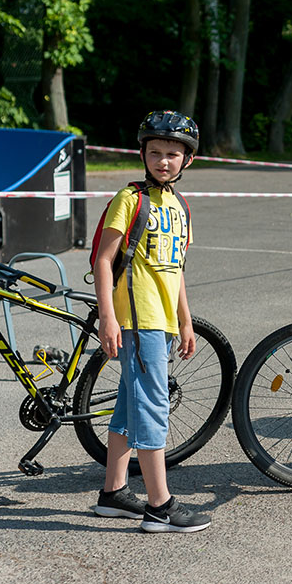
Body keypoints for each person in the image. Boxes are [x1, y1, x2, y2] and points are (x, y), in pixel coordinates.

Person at [92, 110, 212, 532]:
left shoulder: (180, 206)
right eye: (156, 152)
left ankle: (113, 493)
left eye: (173, 154)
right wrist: (108, 317)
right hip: (137, 320)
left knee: (130, 406)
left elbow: (176, 269)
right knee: (152, 409)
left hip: (162, 322)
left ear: (187, 160)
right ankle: (160, 506)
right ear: (142, 154)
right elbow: (103, 260)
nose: (163, 161)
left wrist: (185, 321)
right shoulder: (130, 199)